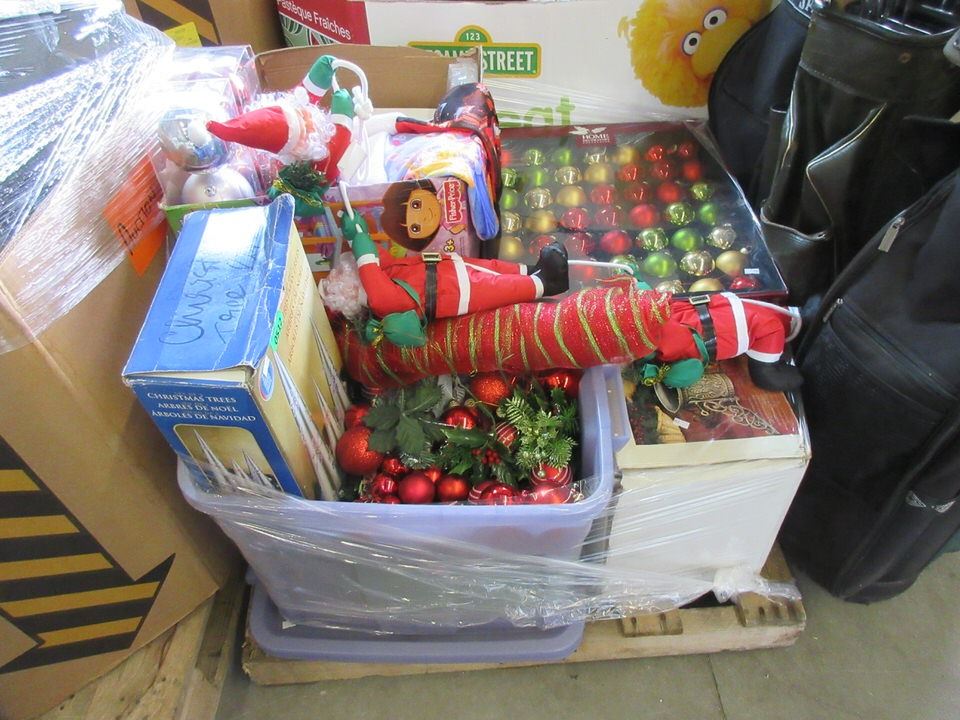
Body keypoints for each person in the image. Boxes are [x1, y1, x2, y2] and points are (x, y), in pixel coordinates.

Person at [341, 213, 568, 323]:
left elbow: (377, 261)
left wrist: (356, 236)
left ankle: (531, 271)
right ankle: (546, 283)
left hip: (447, 271)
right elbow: (375, 283)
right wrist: (362, 252)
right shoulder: (381, 299)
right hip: (449, 293)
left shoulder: (382, 274)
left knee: (493, 269)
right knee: (497, 287)